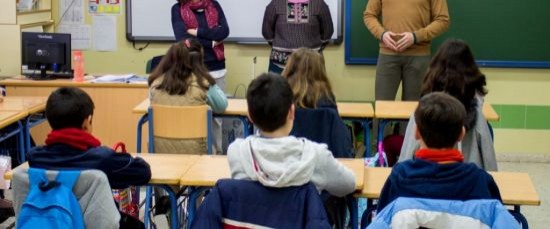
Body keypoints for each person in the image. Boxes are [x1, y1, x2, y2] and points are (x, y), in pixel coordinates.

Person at [26, 87, 151, 227]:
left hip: (53, 222)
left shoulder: (35, 157)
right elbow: (143, 173)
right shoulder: (103, 159)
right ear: (87, 122)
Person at [227, 73, 355, 198]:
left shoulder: (237, 153)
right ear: (292, 112)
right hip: (301, 219)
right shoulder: (316, 156)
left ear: (249, 116)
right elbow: (349, 184)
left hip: (253, 219)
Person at [377, 92, 502, 212]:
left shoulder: (398, 179)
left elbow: (382, 220)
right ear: (461, 134)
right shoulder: (481, 182)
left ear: (416, 132)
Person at [399, 39, 497, 171]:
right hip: (467, 179)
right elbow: (489, 162)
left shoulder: (423, 111)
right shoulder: (476, 110)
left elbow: (406, 156)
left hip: (426, 178)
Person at [148, 39, 228, 154]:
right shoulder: (203, 84)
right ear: (199, 60)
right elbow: (221, 106)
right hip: (196, 151)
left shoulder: (156, 84)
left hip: (160, 149)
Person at [171, 0, 229, 154]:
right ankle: (196, 153)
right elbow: (183, 39)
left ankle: (216, 156)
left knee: (217, 119)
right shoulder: (177, 9)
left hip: (217, 69)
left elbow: (224, 32)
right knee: (194, 115)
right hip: (191, 70)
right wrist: (211, 43)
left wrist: (196, 32)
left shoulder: (214, 5)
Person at [363, 0, 450, 101]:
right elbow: (369, 15)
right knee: (382, 108)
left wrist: (416, 37)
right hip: (388, 55)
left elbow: (443, 20)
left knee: (414, 110)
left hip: (418, 57)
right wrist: (382, 34)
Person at [263, 0, 334, 74]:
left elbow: (327, 32)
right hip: (279, 66)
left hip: (312, 65)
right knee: (277, 85)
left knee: (314, 85)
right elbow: (267, 32)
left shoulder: (319, 4)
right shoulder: (276, 4)